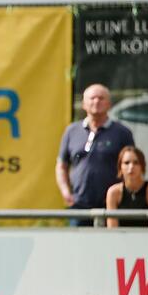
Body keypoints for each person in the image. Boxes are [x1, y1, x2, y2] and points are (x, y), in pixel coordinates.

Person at [56, 84, 135, 226]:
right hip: (78, 206)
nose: (96, 101)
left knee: (111, 247)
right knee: (77, 246)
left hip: (112, 206)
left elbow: (133, 166)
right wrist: (66, 192)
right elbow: (61, 165)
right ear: (84, 104)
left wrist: (124, 194)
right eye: (92, 98)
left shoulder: (122, 133)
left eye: (101, 98)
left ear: (109, 104)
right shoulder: (71, 131)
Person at [106, 146, 148, 228]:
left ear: (142, 166)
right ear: (120, 167)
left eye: (136, 162)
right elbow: (112, 230)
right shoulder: (113, 192)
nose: (131, 167)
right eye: (126, 163)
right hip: (120, 239)